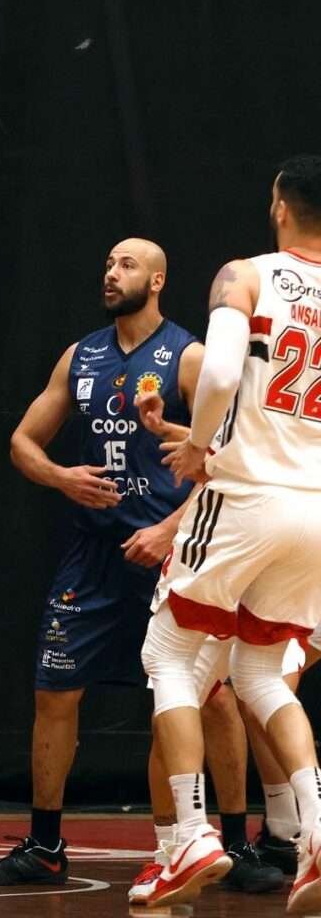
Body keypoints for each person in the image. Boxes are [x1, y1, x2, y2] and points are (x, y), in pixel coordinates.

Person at [0, 238, 206, 887]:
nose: (111, 272)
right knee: (54, 690)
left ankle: (184, 847)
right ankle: (45, 844)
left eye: (126, 265)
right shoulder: (82, 356)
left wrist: (168, 528)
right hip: (93, 554)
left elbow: (226, 462)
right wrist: (60, 477)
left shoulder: (188, 357)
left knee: (178, 700)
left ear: (157, 280)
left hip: (166, 554)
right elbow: (22, 440)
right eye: (107, 263)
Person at [139, 155, 321, 912]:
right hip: (314, 510)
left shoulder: (245, 275)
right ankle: (316, 832)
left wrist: (197, 446)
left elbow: (218, 378)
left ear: (279, 204)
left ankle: (188, 837)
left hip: (246, 498)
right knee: (260, 675)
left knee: (169, 657)